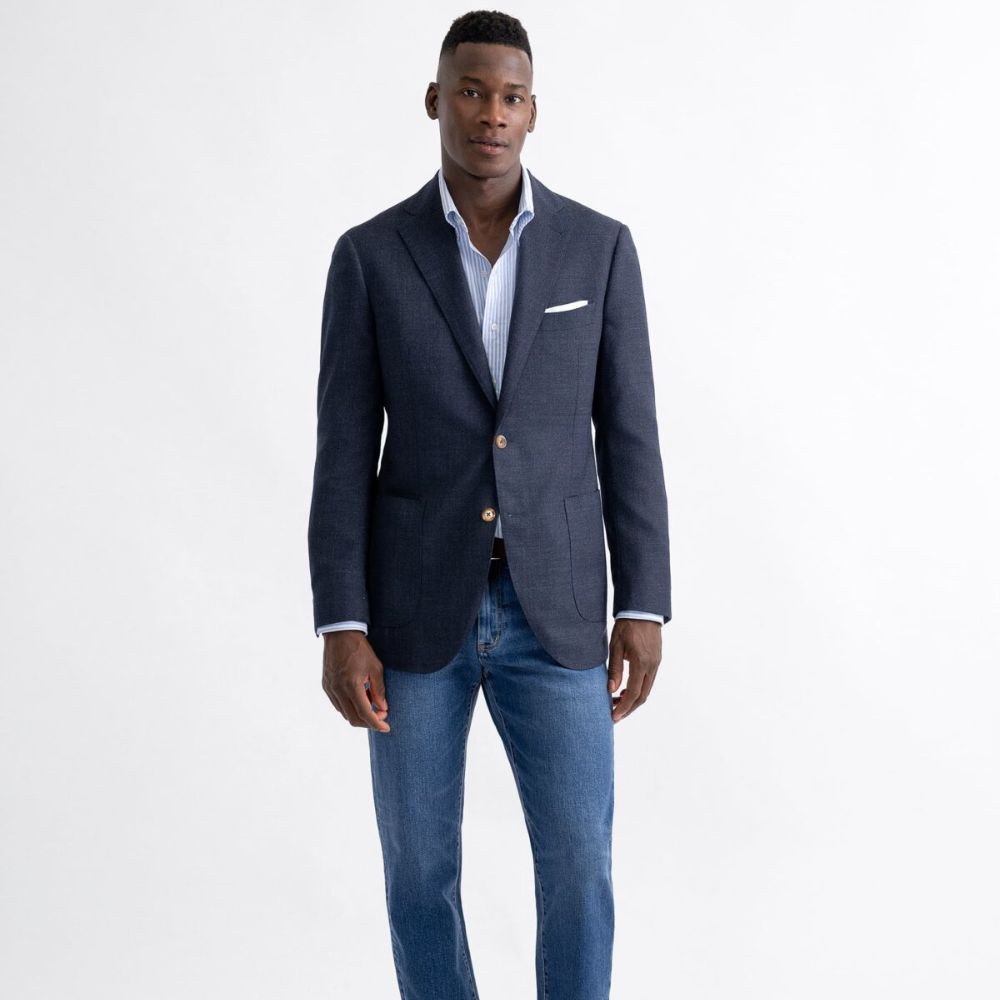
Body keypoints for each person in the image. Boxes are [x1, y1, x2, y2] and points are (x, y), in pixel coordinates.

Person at [307, 10, 671, 999]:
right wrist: (342, 623)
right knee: (419, 874)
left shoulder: (599, 248)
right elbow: (343, 456)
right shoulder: (370, 256)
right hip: (411, 612)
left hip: (556, 609)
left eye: (511, 97)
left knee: (580, 871)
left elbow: (629, 434)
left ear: (534, 111)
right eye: (471, 92)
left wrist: (643, 601)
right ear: (436, 100)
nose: (491, 115)